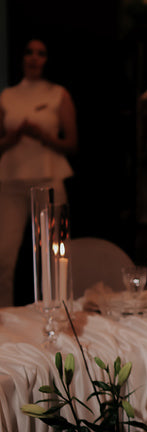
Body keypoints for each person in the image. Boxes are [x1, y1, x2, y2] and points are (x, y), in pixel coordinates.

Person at [0, 38, 77, 306]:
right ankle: (4, 316)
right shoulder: (7, 96)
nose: (34, 58)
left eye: (40, 53)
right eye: (29, 52)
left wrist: (43, 136)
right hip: (11, 180)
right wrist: (13, 137)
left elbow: (72, 143)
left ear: (47, 59)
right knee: (4, 256)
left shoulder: (58, 94)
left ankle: (56, 311)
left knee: (54, 254)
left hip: (49, 178)